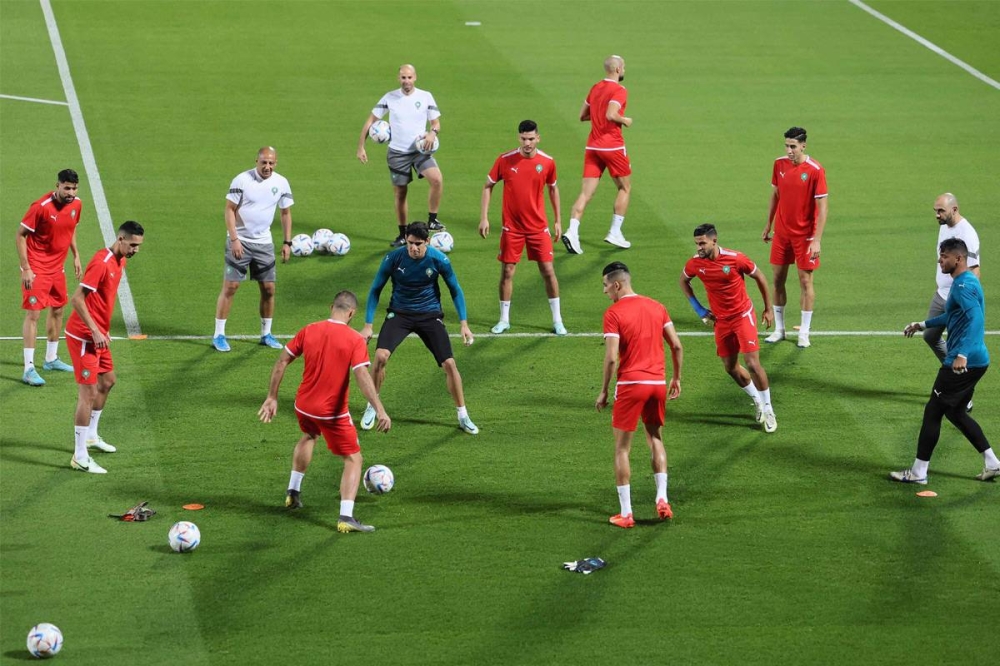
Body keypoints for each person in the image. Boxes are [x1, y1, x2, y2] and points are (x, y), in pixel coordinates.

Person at [259, 291, 391, 533]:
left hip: (303, 405)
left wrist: (272, 397)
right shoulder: (354, 340)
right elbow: (362, 376)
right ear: (352, 313)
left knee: (309, 435)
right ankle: (346, 517)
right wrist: (379, 409)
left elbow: (281, 361)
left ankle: (292, 492)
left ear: (332, 307)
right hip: (331, 413)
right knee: (354, 459)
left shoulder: (309, 329)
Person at [893, 238, 998, 484]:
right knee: (955, 412)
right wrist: (922, 324)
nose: (939, 260)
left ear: (958, 259)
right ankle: (993, 463)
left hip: (964, 362)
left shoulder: (962, 286)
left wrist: (962, 354)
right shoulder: (965, 281)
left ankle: (919, 472)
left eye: (944, 256)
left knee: (933, 411)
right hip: (977, 360)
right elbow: (952, 315)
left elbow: (976, 319)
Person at [359, 222, 478, 435]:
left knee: (450, 364)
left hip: (429, 315)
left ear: (428, 242)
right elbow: (376, 289)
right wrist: (368, 325)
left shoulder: (439, 259)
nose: (413, 248)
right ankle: (372, 406)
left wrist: (464, 324)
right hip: (400, 314)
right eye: (410, 243)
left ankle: (463, 415)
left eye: (418, 244)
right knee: (380, 356)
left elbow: (455, 289)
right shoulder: (393, 258)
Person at [597, 262, 683, 528]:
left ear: (617, 284)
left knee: (622, 449)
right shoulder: (657, 307)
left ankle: (626, 513)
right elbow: (677, 346)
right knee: (655, 438)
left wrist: (604, 390)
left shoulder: (614, 313)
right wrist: (676, 377)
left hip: (631, 384)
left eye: (606, 286)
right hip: (657, 383)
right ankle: (662, 498)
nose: (605, 291)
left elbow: (612, 358)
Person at [64, 221, 145, 474]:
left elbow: (102, 300)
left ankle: (90, 435)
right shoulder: (102, 262)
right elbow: (77, 299)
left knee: (108, 381)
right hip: (84, 337)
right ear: (120, 239)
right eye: (132, 245)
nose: (135, 250)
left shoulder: (121, 261)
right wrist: (95, 330)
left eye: (138, 246)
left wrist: (102, 328)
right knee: (87, 394)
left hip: (99, 335)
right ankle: (79, 456)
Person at [680, 224, 777, 432]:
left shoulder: (735, 259)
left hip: (742, 316)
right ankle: (757, 400)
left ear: (714, 241)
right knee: (730, 368)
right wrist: (699, 309)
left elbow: (759, 276)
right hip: (721, 321)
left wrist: (768, 309)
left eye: (702, 243)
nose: (699, 248)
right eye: (697, 244)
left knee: (752, 363)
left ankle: (769, 408)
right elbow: (684, 281)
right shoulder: (695, 263)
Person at [479, 119, 566, 335]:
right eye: (524, 139)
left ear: (538, 138)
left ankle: (557, 320)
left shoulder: (547, 162)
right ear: (519, 138)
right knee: (507, 271)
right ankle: (504, 320)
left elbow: (553, 189)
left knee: (548, 271)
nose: (527, 143)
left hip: (538, 227)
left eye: (531, 139)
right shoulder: (505, 160)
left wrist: (557, 220)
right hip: (512, 228)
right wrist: (484, 217)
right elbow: (488, 186)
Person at [212, 146, 294, 353]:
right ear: (256, 161)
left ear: (276, 163)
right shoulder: (241, 180)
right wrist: (234, 239)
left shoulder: (281, 183)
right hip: (240, 241)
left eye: (271, 163)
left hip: (264, 244)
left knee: (269, 289)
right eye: (263, 162)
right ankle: (219, 334)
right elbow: (229, 210)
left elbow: (285, 213)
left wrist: (287, 242)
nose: (267, 166)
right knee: (231, 287)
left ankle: (266, 334)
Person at [357, 64, 445, 247]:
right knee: (401, 193)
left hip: (420, 150)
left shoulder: (425, 96)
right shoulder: (390, 97)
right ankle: (403, 235)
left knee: (437, 179)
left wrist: (432, 133)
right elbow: (371, 120)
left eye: (409, 77)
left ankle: (432, 220)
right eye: (403, 77)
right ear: (399, 78)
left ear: (415, 77)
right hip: (397, 154)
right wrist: (361, 146)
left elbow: (436, 123)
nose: (406, 81)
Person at [761, 126, 828, 348]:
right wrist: (768, 224)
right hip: (782, 234)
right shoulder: (779, 164)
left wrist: (816, 239)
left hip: (805, 237)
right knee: (777, 280)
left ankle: (804, 333)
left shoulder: (815, 170)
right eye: (787, 146)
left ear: (803, 146)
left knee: (805, 281)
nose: (789, 150)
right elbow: (775, 195)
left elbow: (823, 207)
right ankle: (779, 330)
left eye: (793, 146)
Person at [16, 169, 83, 386]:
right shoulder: (40, 207)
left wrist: (76, 255)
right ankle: (28, 369)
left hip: (57, 268)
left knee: (58, 309)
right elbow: (20, 235)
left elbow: (71, 229)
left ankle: (51, 359)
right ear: (58, 186)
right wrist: (26, 268)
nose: (71, 192)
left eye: (74, 188)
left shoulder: (76, 204)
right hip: (36, 268)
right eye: (67, 188)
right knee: (33, 314)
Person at [562, 55, 633, 254]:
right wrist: (624, 120)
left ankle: (572, 231)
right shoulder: (619, 90)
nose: (624, 70)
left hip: (592, 147)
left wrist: (598, 117)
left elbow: (582, 115)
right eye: (624, 67)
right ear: (617, 69)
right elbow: (611, 114)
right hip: (612, 147)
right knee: (625, 188)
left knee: (586, 193)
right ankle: (615, 232)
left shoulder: (595, 88)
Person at [924, 194, 980, 396]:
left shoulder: (967, 233)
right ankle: (959, 379)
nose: (937, 215)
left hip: (957, 298)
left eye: (941, 211)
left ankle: (964, 392)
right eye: (936, 211)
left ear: (954, 209)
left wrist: (965, 299)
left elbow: (974, 270)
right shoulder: (944, 227)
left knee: (957, 349)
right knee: (930, 336)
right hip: (941, 295)